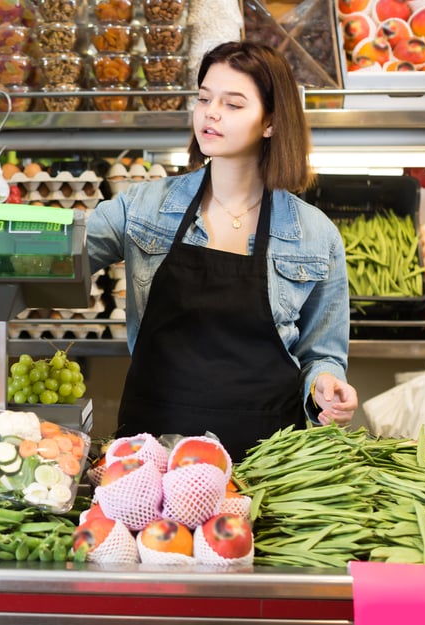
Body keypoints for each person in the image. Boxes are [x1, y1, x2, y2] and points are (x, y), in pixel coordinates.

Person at [86, 41, 358, 460]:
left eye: (233, 104)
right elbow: (64, 254)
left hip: (268, 460)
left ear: (270, 122)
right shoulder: (144, 208)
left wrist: (326, 385)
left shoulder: (314, 235)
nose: (211, 112)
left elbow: (321, 353)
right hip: (154, 458)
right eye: (204, 98)